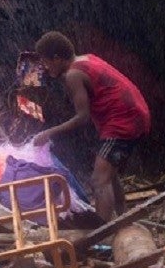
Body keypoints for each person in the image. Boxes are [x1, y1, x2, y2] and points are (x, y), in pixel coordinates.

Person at [31, 31, 150, 223]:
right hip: (134, 114)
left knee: (98, 180)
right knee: (108, 174)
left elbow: (82, 117)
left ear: (57, 58)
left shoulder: (73, 75)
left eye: (46, 62)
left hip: (123, 121)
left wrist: (49, 132)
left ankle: (100, 233)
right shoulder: (86, 59)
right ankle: (125, 220)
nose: (45, 67)